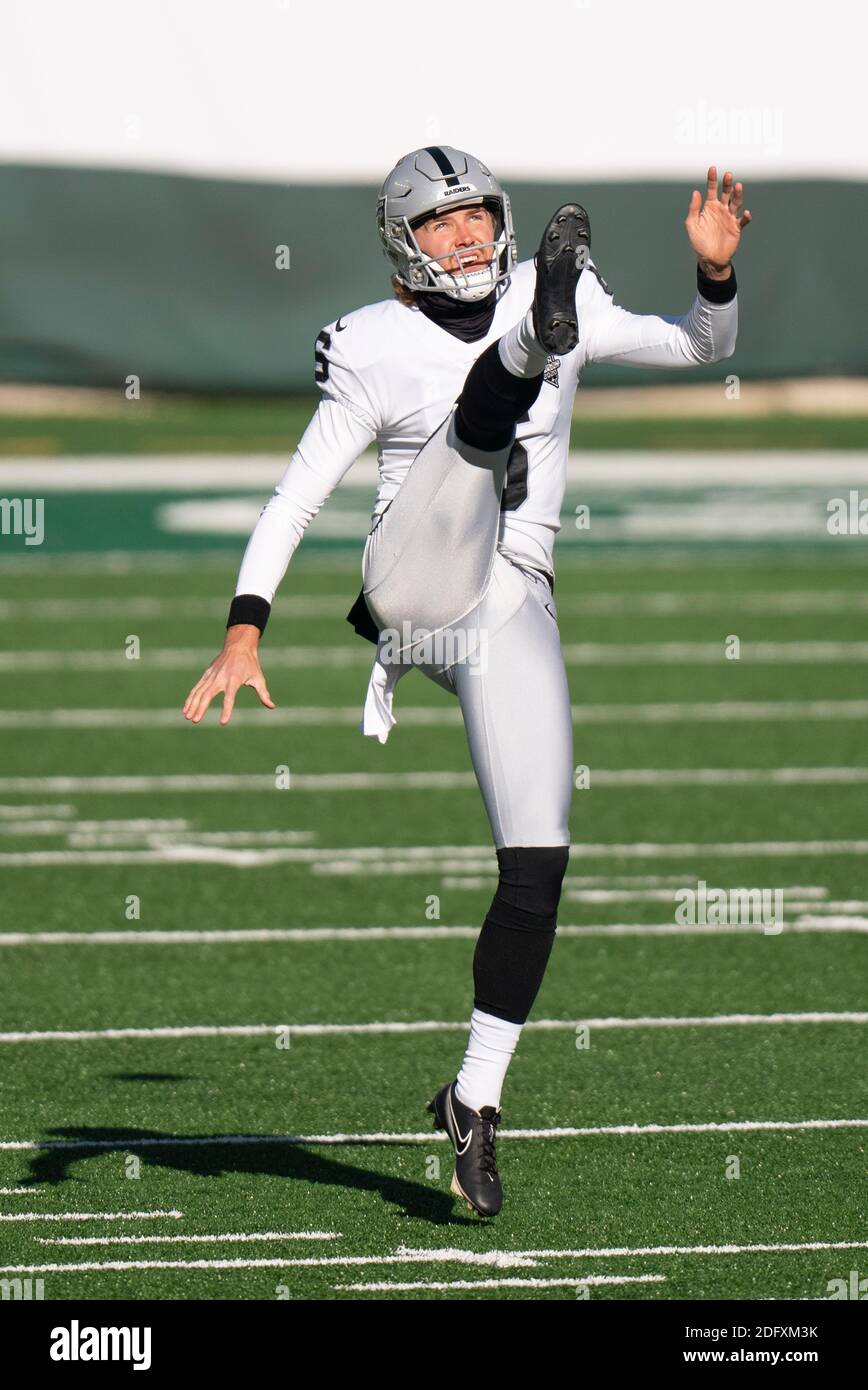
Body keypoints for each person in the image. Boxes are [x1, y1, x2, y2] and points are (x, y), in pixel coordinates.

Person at [183, 146, 749, 1217]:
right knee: (477, 430)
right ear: (405, 241)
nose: (470, 235)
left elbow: (703, 344)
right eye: (444, 222)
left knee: (537, 866)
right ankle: (521, 357)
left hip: (505, 602)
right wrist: (244, 628)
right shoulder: (376, 345)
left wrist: (714, 273)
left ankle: (473, 1101)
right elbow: (297, 496)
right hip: (413, 581)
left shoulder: (556, 283)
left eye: (479, 215)